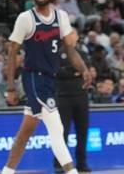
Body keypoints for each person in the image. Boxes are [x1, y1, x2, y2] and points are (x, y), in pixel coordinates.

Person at [1, 0, 90, 174]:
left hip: (50, 79)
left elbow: (70, 49)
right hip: (34, 78)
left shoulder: (61, 16)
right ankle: (72, 172)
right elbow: (12, 52)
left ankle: (7, 171)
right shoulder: (26, 18)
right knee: (56, 128)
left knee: (25, 132)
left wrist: (84, 69)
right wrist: (10, 87)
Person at [53, 42, 93, 172]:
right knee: (61, 132)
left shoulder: (82, 53)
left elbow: (87, 70)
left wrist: (69, 70)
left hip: (81, 97)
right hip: (63, 97)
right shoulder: (57, 53)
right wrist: (75, 71)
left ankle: (82, 163)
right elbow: (57, 71)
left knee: (82, 131)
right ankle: (59, 164)